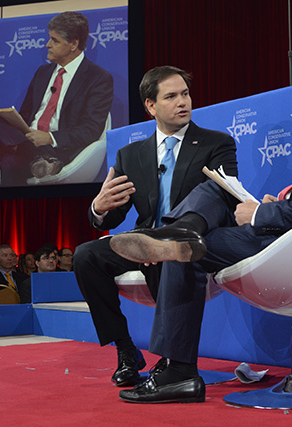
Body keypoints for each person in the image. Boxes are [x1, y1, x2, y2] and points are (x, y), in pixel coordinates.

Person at [110, 29, 292, 403]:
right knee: (212, 193)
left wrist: (262, 213)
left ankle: (178, 371)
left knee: (194, 249)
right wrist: (282, 199)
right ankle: (179, 232)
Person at [73, 66, 238, 387]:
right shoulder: (130, 155)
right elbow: (116, 217)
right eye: (171, 96)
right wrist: (99, 207)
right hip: (146, 236)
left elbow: (225, 200)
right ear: (151, 106)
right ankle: (125, 349)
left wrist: (164, 243)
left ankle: (172, 358)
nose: (183, 102)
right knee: (85, 256)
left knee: (169, 254)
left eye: (185, 94)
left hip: (193, 239)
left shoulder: (216, 144)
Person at [0, 11, 113, 186]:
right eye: (49, 38)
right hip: (30, 140)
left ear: (73, 44)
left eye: (55, 40)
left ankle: (38, 159)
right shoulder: (43, 73)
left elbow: (91, 129)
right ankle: (38, 158)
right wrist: (14, 121)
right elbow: (27, 113)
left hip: (59, 148)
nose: (47, 44)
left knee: (10, 162)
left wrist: (50, 137)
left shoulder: (98, 78)